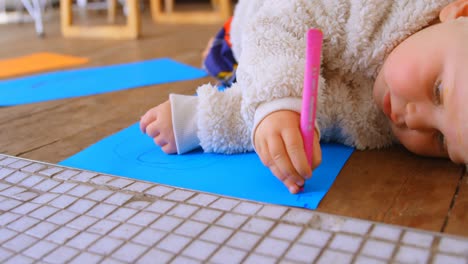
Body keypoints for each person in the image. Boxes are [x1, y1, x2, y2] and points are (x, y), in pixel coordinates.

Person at [140, 0, 468, 194]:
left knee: (243, 80)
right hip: (265, 15)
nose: (414, 118)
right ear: (456, 13)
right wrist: (276, 104)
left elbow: (317, 115)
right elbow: (279, 25)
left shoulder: (382, 121)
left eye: (440, 140)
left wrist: (200, 120)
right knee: (228, 55)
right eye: (438, 92)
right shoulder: (371, 8)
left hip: (315, 61)